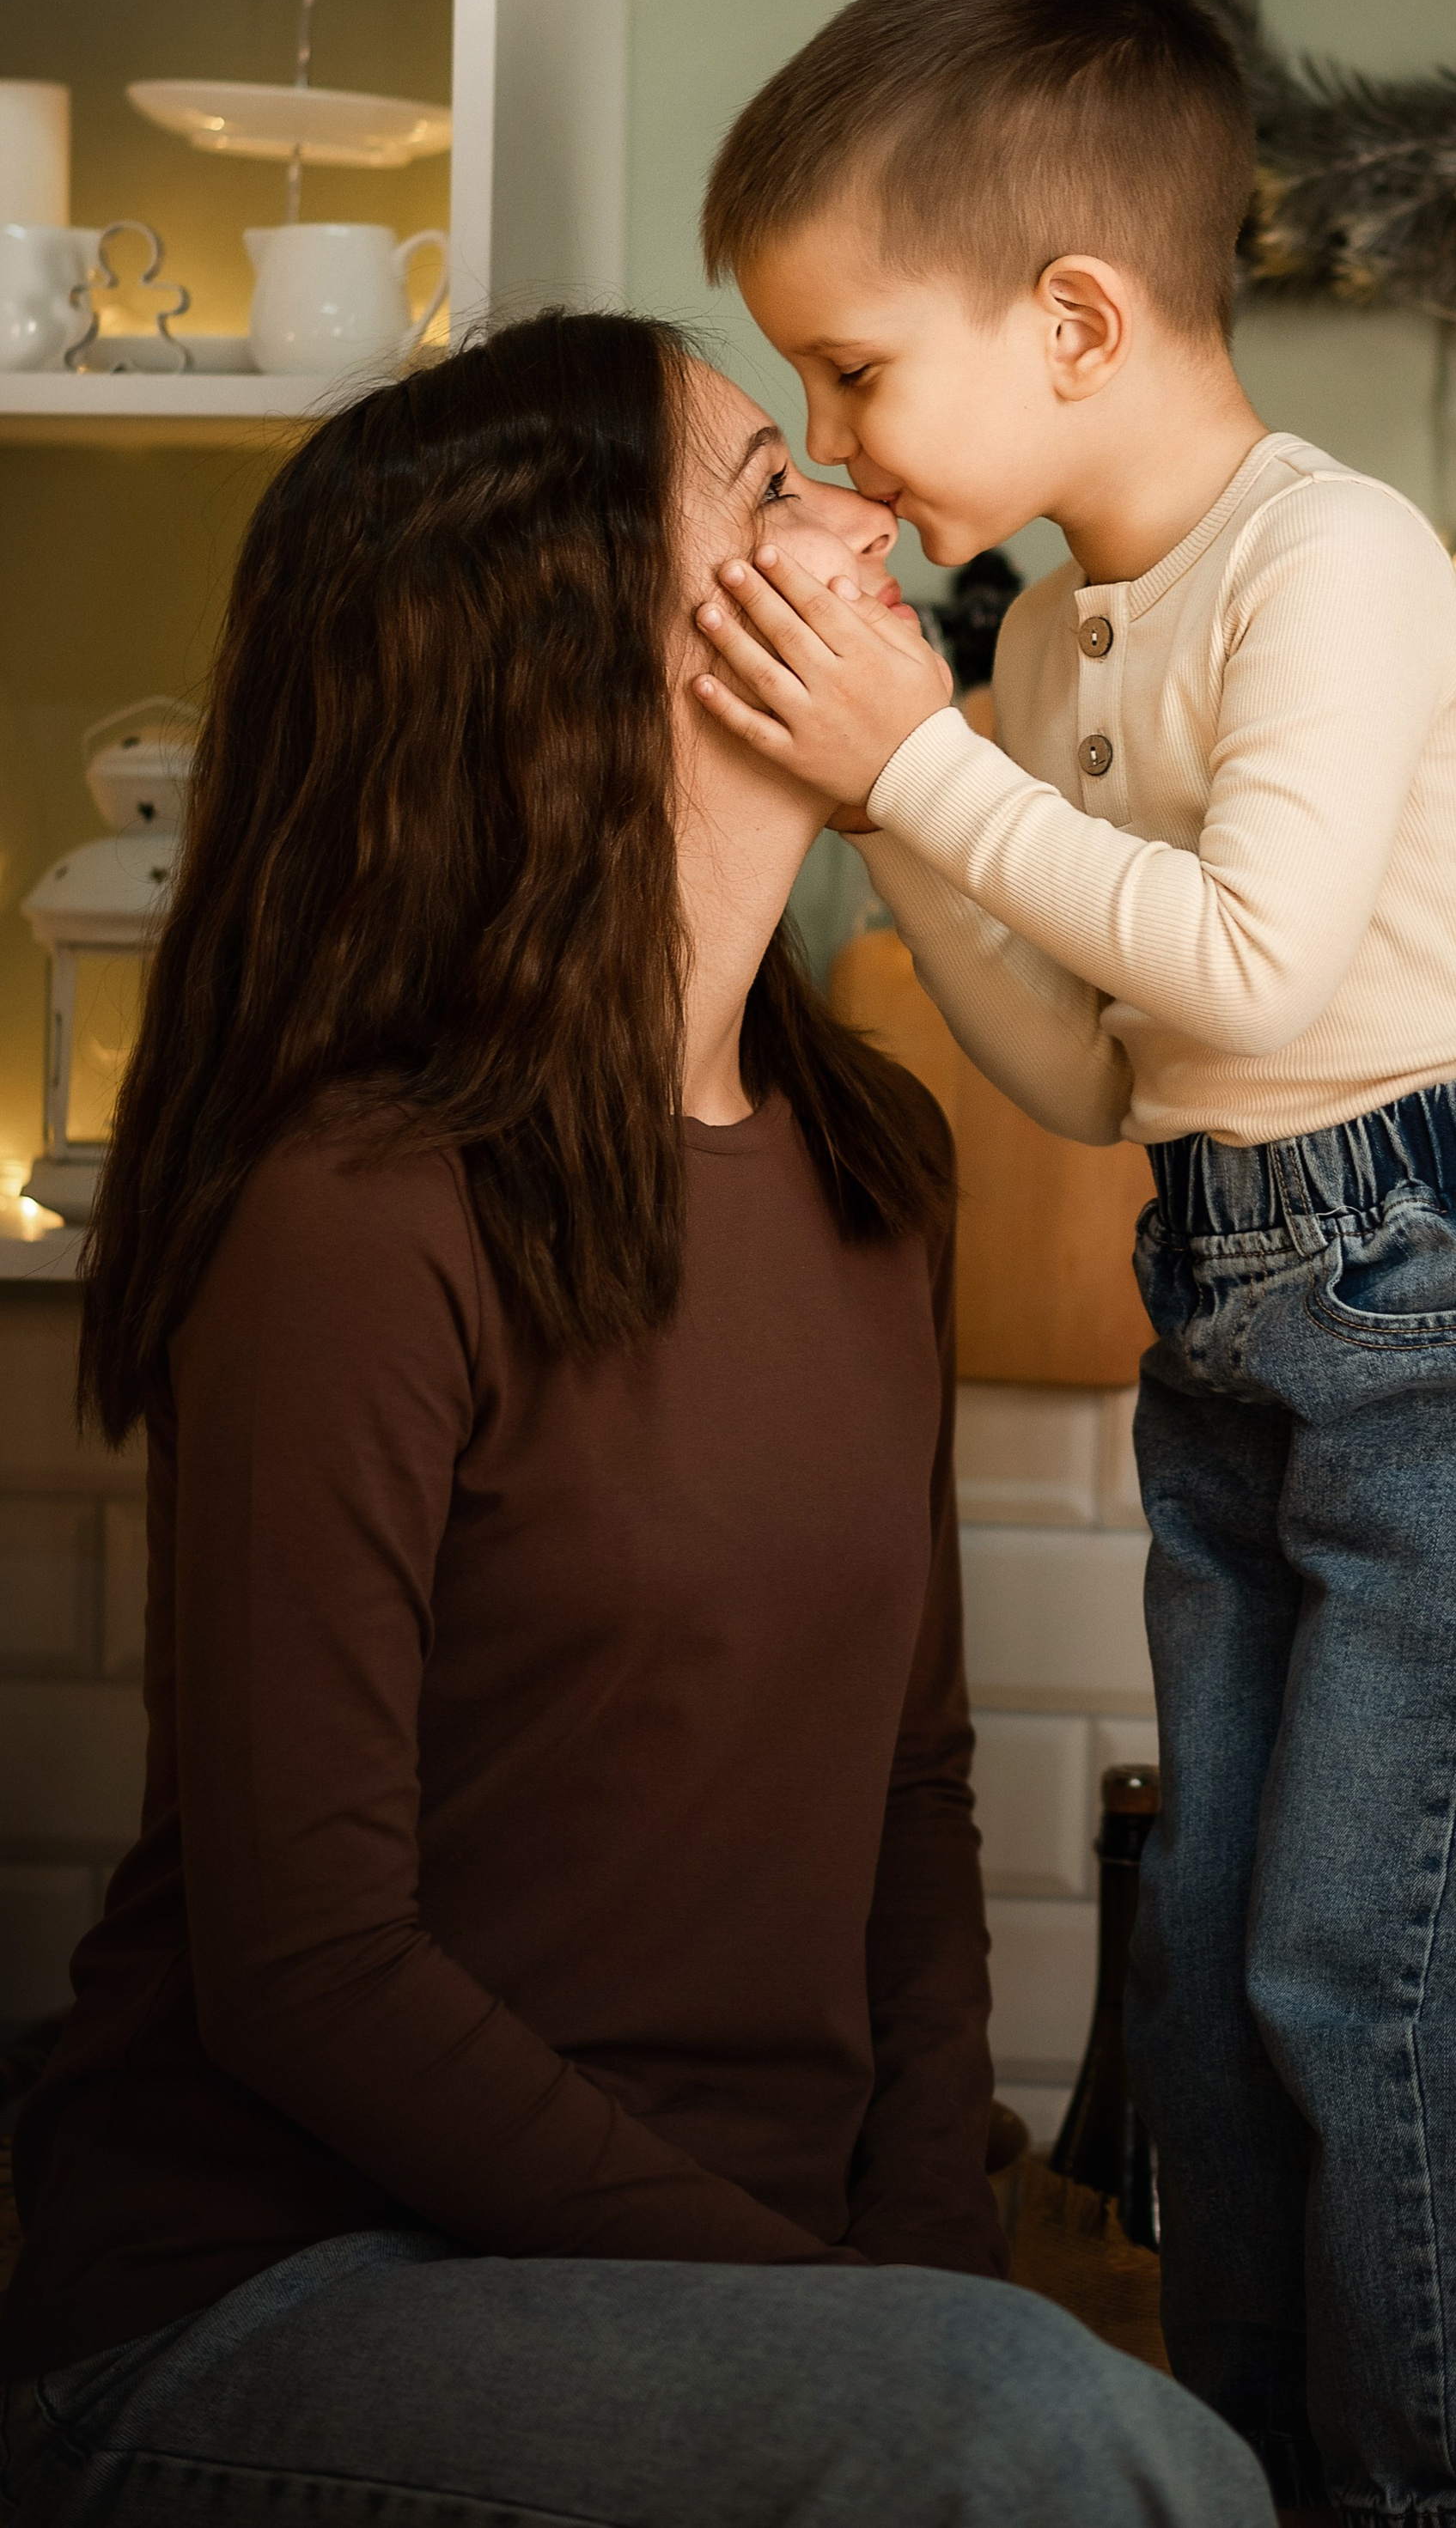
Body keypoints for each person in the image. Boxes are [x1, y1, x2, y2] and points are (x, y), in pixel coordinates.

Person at [0, 311, 1270, 2528]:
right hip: (287, 2289)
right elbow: (308, 1969)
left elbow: (912, 1785)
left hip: (762, 2293)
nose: (869, 507)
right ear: (573, 648)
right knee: (1042, 2440)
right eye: (773, 487)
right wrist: (852, 2322)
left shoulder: (868, 1153)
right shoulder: (355, 1212)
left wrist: (918, 2280)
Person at [687, 0, 1456, 2528]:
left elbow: (1254, 950)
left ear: (1067, 318)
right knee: (1224, 1974)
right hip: (1244, 1293)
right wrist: (915, 798)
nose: (832, 431)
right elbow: (1104, 1069)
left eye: (854, 369)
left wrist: (927, 763)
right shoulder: (1043, 654)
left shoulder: (1328, 562)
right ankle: (1249, 2486)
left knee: (1364, 1992)